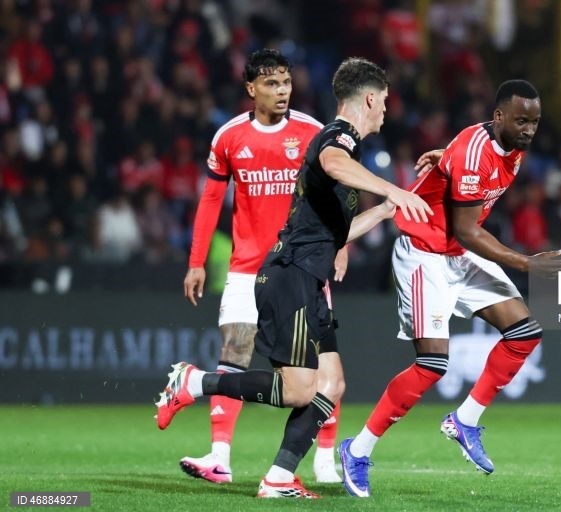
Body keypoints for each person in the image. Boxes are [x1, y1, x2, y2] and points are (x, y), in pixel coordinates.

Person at [156, 57, 433, 499]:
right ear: (368, 98)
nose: (386, 108)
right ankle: (194, 382)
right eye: (383, 100)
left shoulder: (334, 139)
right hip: (291, 277)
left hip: (308, 278)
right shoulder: (336, 135)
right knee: (299, 389)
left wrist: (383, 211)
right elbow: (333, 160)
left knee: (332, 383)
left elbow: (338, 227)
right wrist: (390, 188)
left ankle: (281, 476)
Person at [337, 80, 561, 498]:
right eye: (521, 120)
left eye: (534, 122)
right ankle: (357, 449)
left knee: (524, 332)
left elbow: (467, 176)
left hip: (457, 250)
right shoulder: (478, 148)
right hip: (425, 252)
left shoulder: (508, 146)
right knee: (432, 365)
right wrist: (525, 263)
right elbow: (467, 227)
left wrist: (448, 162)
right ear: (499, 116)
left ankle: (465, 420)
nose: (530, 130)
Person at [179, 48, 347, 485]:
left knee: (322, 365)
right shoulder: (229, 137)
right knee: (233, 352)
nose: (282, 91)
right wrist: (197, 261)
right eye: (272, 84)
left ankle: (324, 460)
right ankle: (219, 458)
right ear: (251, 88)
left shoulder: (313, 132)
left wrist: (340, 247)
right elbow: (211, 199)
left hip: (302, 266)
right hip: (245, 267)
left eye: (287, 82)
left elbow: (339, 192)